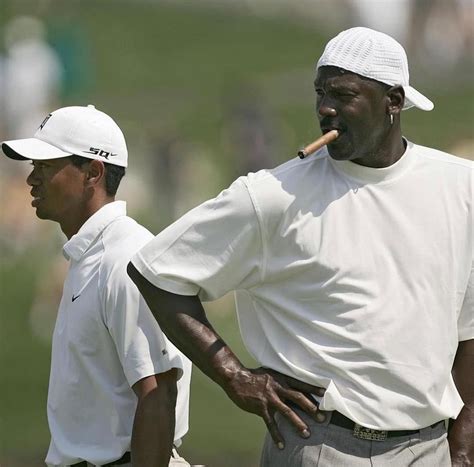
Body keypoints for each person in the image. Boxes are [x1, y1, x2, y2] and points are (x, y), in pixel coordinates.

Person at [127, 27, 473, 466]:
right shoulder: (274, 195)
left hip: (428, 450)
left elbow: (470, 328)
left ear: (393, 102)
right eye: (320, 93)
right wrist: (235, 377)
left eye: (343, 95)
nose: (325, 108)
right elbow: (157, 271)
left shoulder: (460, 187)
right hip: (318, 446)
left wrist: (462, 446)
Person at [1, 105, 192, 467]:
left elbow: (158, 392)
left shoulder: (124, 259)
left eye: (45, 166)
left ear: (93, 172)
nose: (31, 179)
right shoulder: (89, 255)